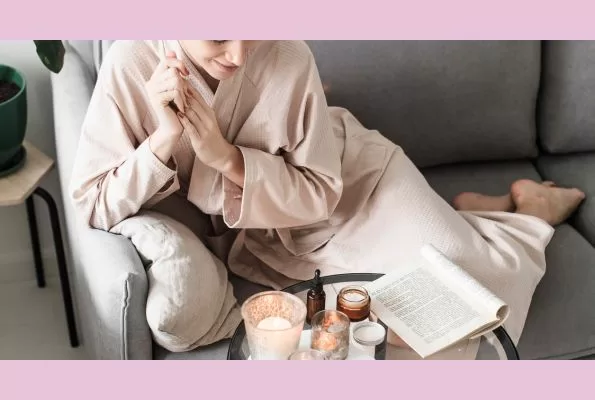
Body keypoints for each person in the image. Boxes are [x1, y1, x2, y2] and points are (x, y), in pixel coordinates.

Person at [70, 40, 585, 352]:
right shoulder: (130, 65)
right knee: (401, 320)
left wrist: (227, 158)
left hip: (352, 182)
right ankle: (475, 214)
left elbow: (319, 189)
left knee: (471, 293)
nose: (241, 54)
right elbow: (93, 203)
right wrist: (163, 140)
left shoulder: (290, 54)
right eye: (220, 37)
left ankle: (527, 212)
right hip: (264, 230)